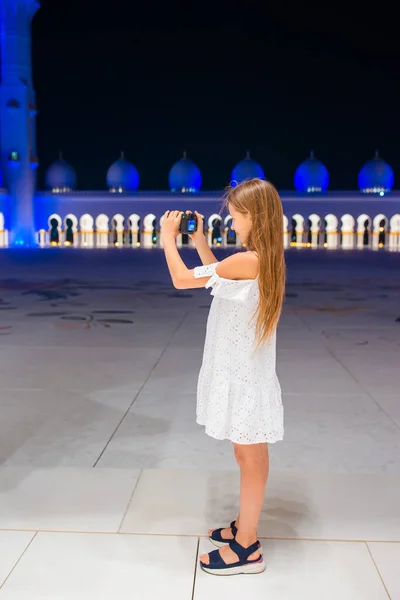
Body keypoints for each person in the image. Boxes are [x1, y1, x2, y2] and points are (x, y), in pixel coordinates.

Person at [161, 178, 286, 576]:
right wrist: (198, 241)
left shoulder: (246, 261)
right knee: (250, 453)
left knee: (249, 456)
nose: (230, 224)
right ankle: (244, 526)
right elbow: (219, 273)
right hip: (249, 370)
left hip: (242, 372)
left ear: (254, 217)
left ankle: (247, 547)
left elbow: (183, 280)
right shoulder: (259, 258)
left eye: (234, 217)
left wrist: (167, 238)